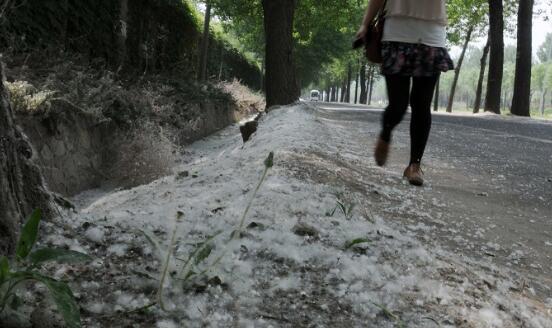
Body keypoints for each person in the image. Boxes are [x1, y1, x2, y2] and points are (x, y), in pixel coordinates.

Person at [356, 0, 454, 186]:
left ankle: (414, 166)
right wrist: (365, 23)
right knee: (398, 105)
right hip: (396, 34)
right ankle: (386, 133)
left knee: (422, 104)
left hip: (432, 36)